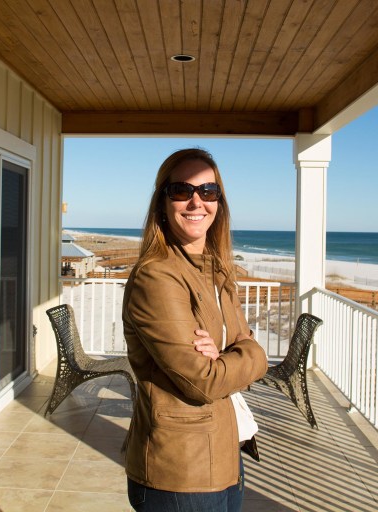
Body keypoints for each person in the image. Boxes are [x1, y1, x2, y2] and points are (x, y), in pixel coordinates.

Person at [122, 148, 268, 511]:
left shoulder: (215, 270)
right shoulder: (157, 276)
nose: (196, 202)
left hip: (225, 452)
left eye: (208, 191)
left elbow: (239, 348)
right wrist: (249, 356)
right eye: (181, 191)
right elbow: (203, 380)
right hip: (181, 471)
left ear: (220, 202)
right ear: (162, 202)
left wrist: (229, 357)